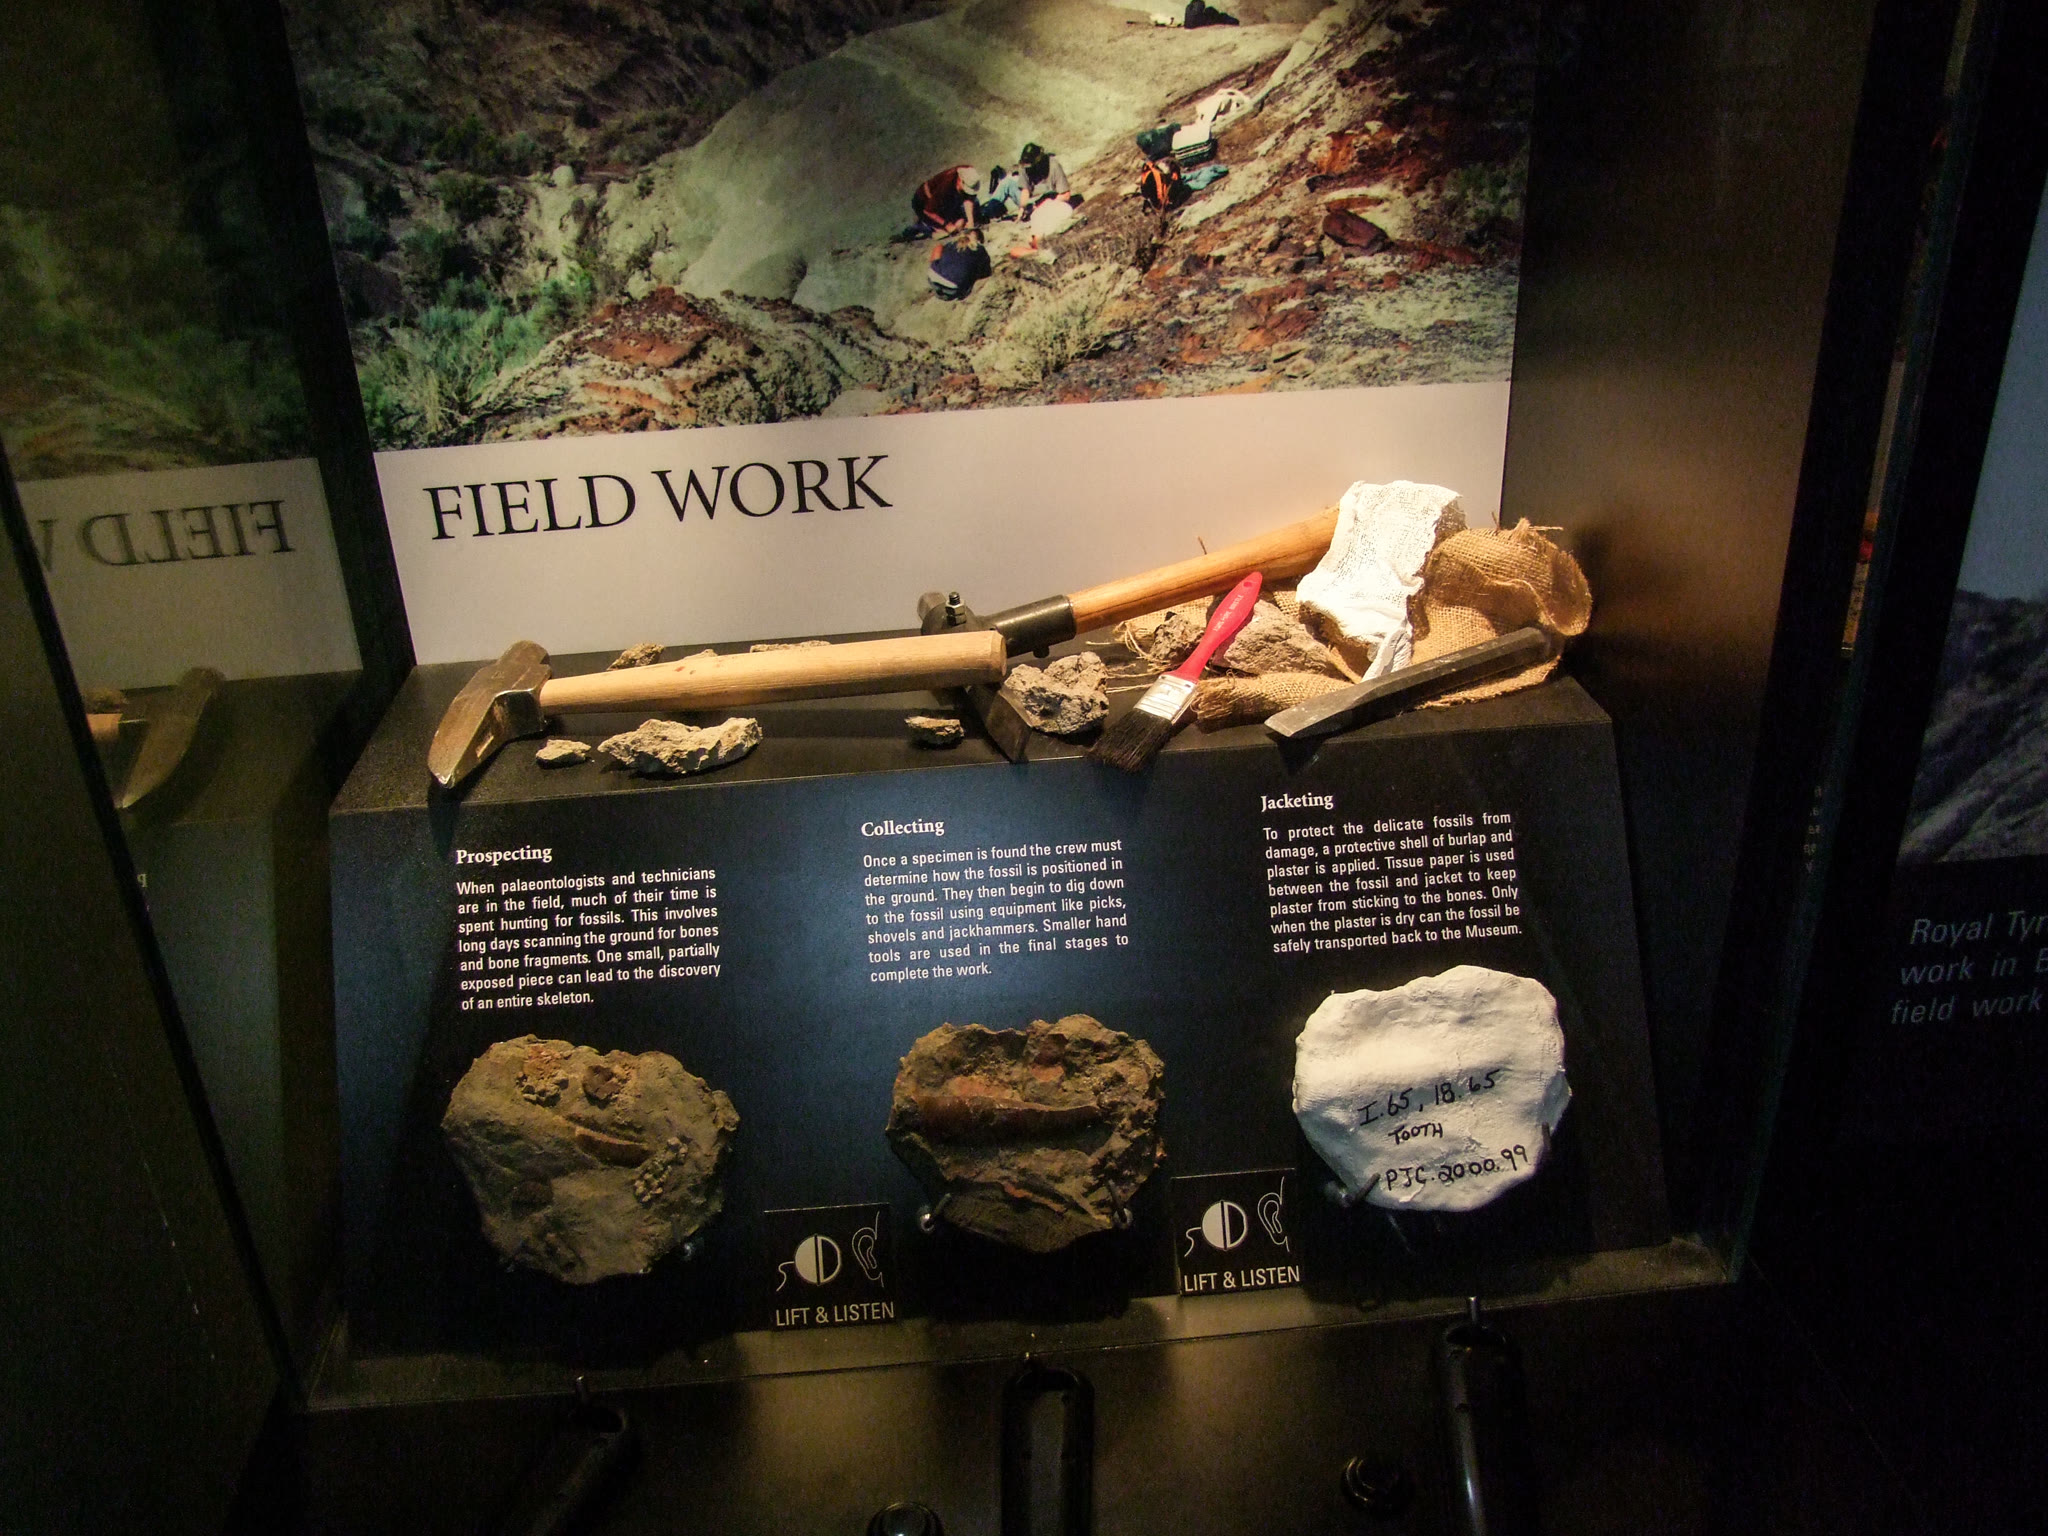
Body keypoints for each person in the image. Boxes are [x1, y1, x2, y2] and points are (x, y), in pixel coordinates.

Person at [911, 165, 985, 235]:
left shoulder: (969, 173)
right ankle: (922, 225)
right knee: (948, 230)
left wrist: (971, 223)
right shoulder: (945, 186)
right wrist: (946, 225)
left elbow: (968, 198)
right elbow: (928, 210)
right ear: (960, 181)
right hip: (924, 204)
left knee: (963, 221)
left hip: (947, 201)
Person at [928, 228, 992, 300]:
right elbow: (986, 273)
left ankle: (939, 279)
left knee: (939, 248)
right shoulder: (979, 248)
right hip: (953, 287)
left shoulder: (952, 243)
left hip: (932, 277)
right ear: (979, 240)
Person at [1016, 143, 1071, 213]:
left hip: (1053, 201)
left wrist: (1047, 206)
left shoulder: (1053, 165)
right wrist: (1022, 209)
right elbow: (1025, 191)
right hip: (1035, 202)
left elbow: (1065, 195)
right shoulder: (1025, 167)